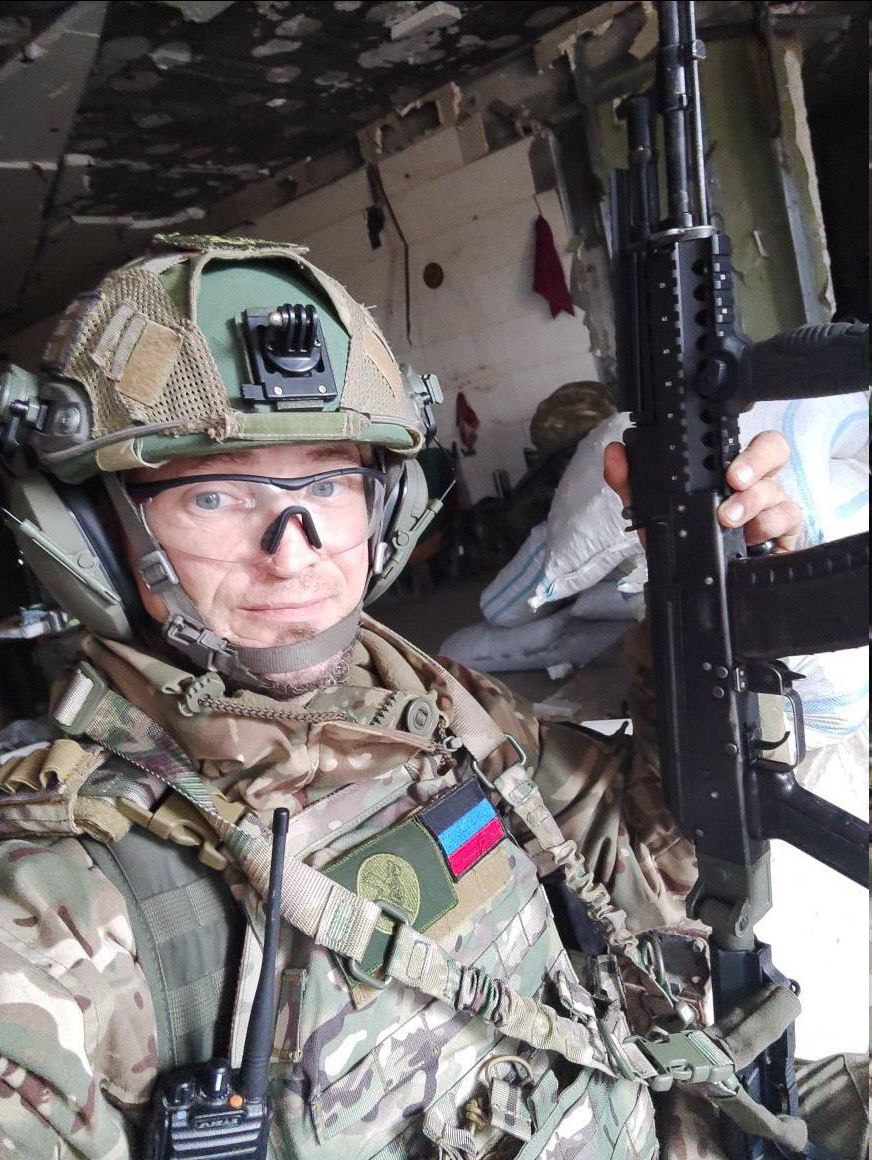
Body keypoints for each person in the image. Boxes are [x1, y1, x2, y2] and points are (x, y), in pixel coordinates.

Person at [0, 235, 862, 1160]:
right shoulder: (58, 901)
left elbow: (648, 854)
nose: (293, 552)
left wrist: (710, 604)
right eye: (214, 498)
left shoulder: (427, 699)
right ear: (91, 532)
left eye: (328, 483)